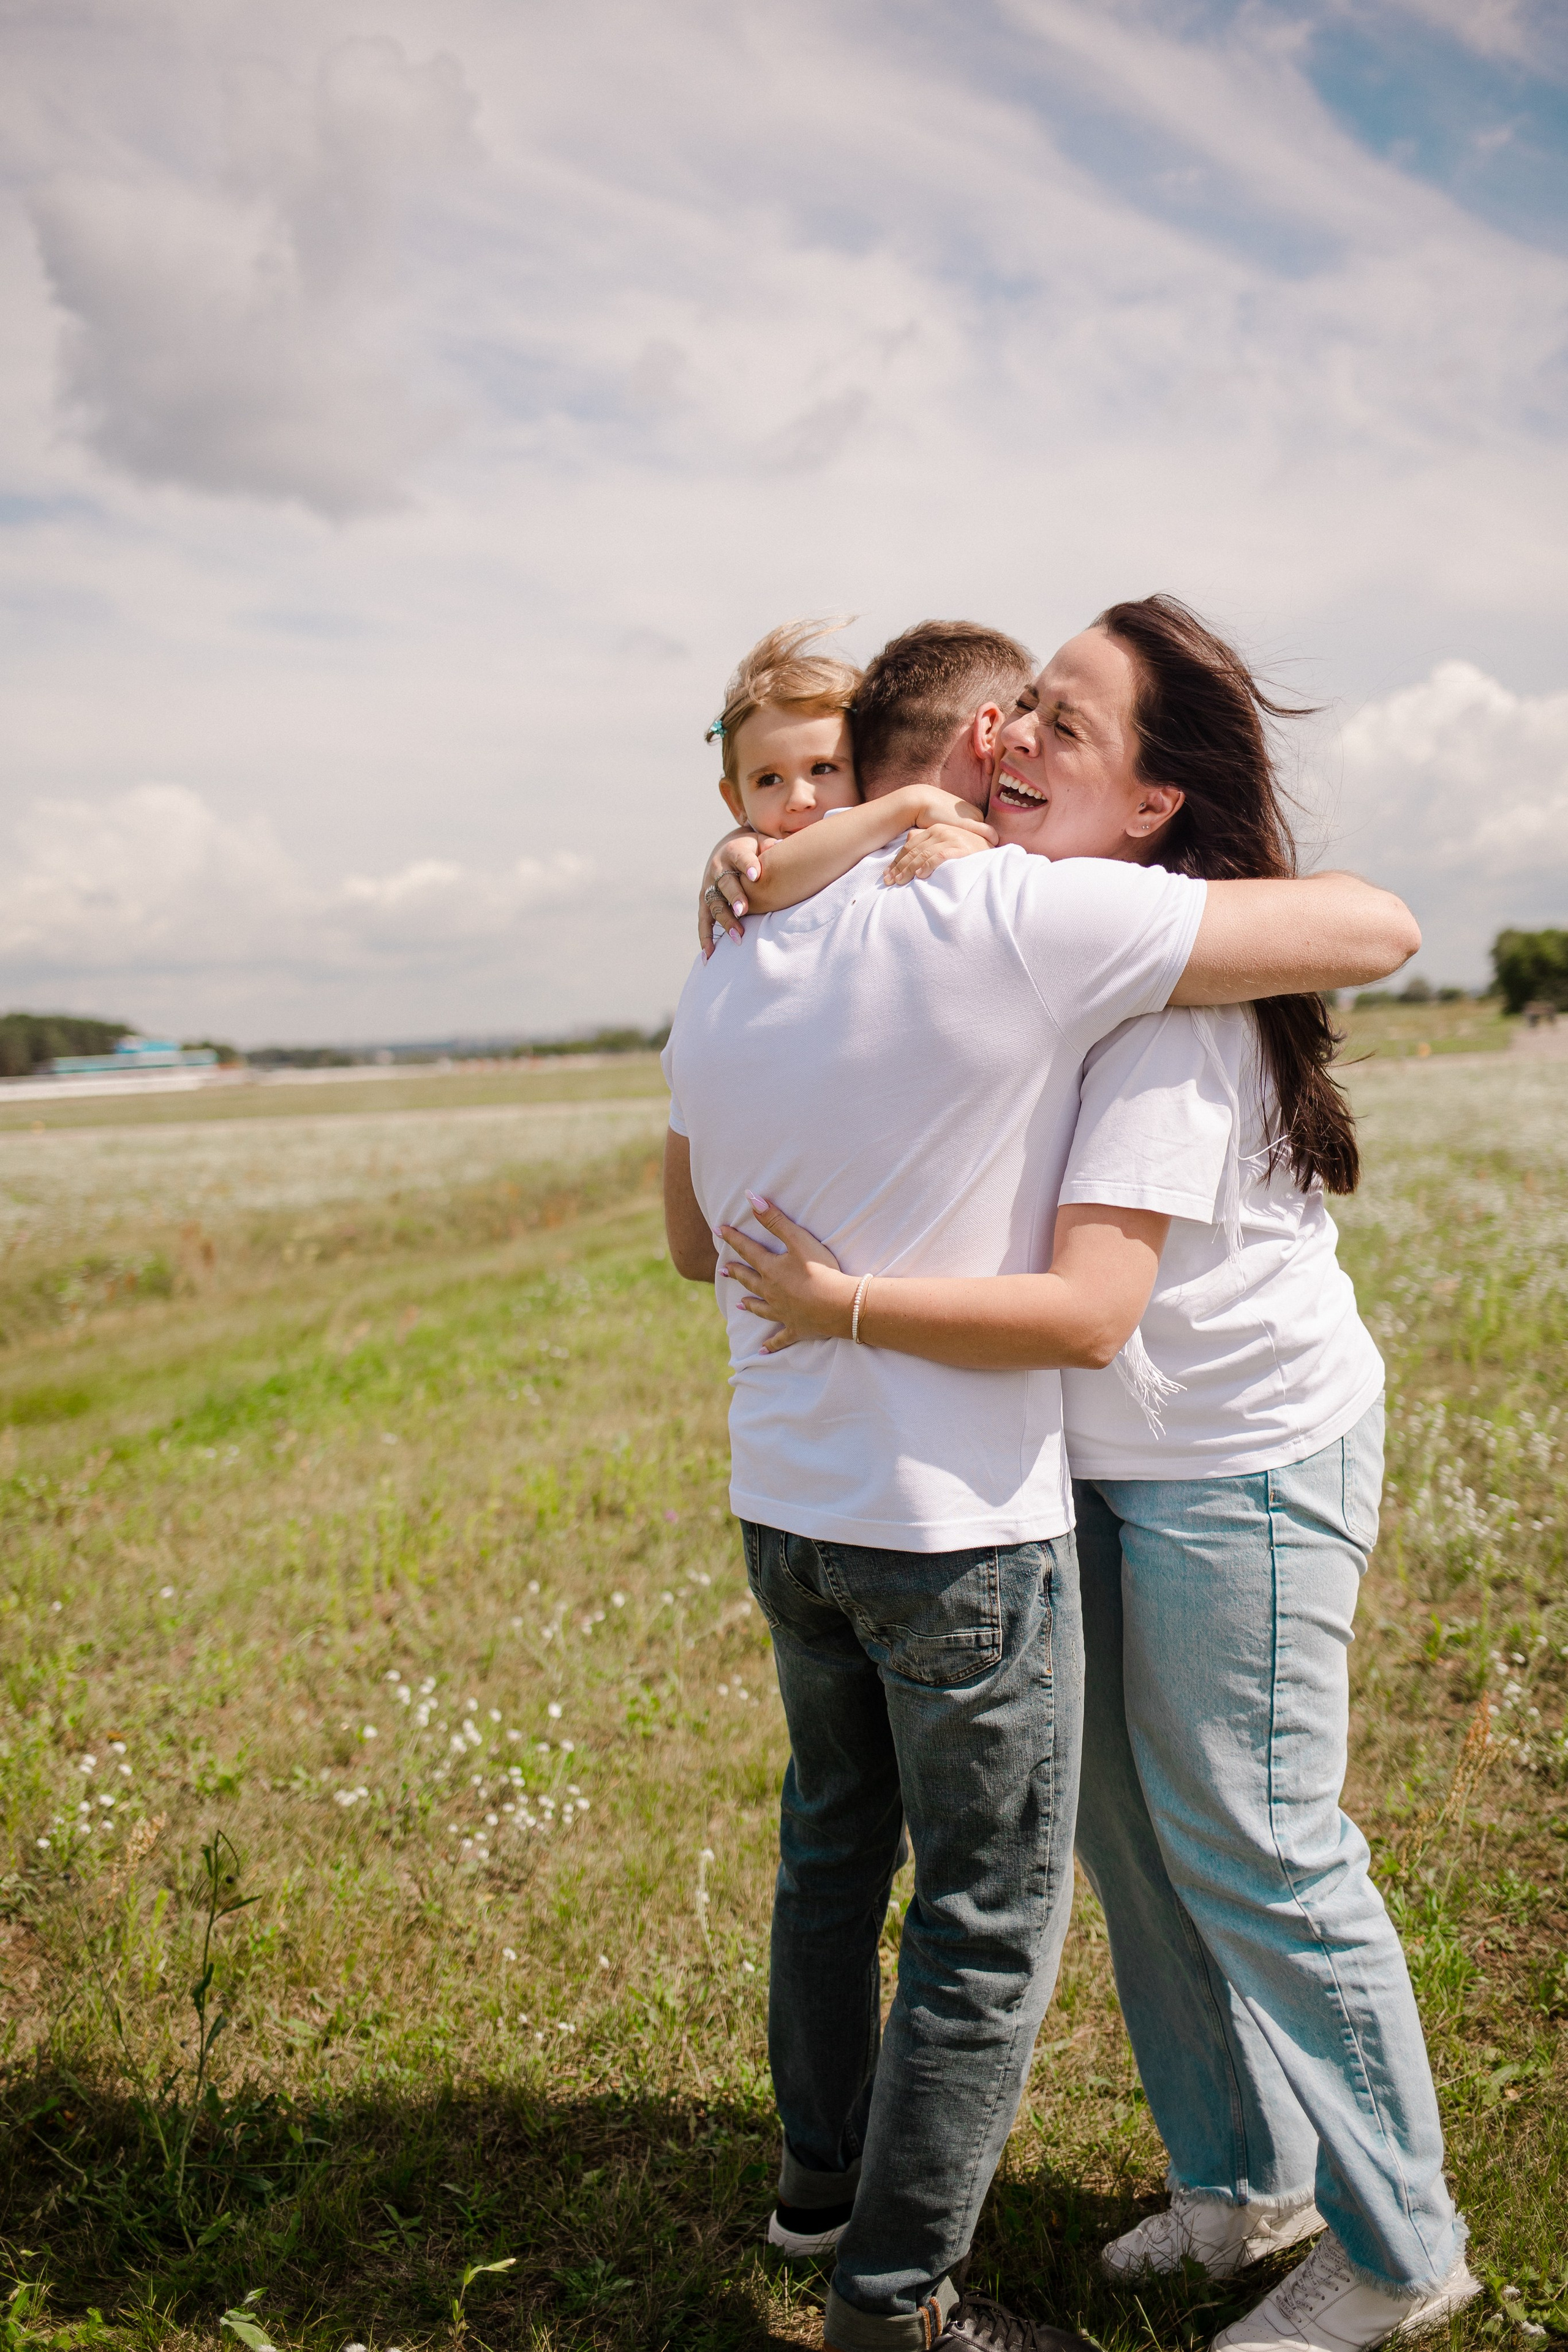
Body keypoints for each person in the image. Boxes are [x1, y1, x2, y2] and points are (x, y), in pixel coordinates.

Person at [713, 599, 1476, 2352]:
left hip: (1234, 1460)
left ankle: (1402, 2240)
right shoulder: (1027, 921)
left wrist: (845, 1307)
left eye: (1060, 722)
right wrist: (803, 857)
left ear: (1153, 806)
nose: (1008, 742)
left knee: (1263, 1845)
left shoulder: (1165, 987)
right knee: (1139, 1844)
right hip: (1102, 1468)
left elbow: (1089, 1307)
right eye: (1014, 712)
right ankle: (1239, 2183)